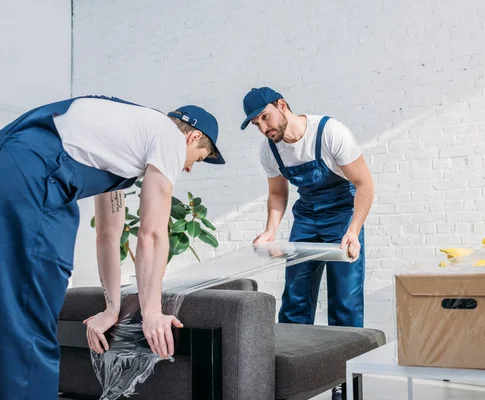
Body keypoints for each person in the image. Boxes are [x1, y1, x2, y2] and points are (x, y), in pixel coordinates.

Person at [0, 94, 225, 398]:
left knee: (9, 304)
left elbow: (108, 232)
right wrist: (153, 313)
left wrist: (111, 308)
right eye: (196, 158)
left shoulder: (125, 142)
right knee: (30, 315)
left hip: (15, 160)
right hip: (33, 173)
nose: (188, 169)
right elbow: (152, 233)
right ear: (193, 136)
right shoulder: (169, 136)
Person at [240, 87, 374, 329]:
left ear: (281, 105)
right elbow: (278, 193)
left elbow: (364, 184)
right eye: (255, 124)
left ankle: (345, 364)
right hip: (306, 217)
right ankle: (293, 361)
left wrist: (353, 230)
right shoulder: (269, 150)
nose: (263, 128)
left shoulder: (329, 132)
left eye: (264, 117)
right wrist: (270, 231)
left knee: (345, 300)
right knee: (294, 298)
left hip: (342, 216)